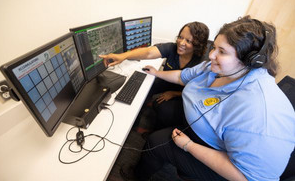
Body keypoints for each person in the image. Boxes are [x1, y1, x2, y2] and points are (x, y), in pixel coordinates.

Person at [121, 16, 295, 181]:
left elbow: (248, 177)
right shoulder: (219, 68)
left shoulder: (260, 112)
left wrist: (189, 146)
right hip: (199, 123)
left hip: (221, 160)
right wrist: (158, 73)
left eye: (222, 51)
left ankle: (139, 173)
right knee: (164, 110)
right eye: (214, 47)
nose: (211, 55)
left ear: (249, 60)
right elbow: (183, 76)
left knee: (156, 142)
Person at [100, 21, 210, 129]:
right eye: (180, 37)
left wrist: (174, 93)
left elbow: (199, 93)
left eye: (188, 41)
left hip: (185, 94)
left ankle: (154, 132)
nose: (181, 43)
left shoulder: (202, 64)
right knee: (143, 88)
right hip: (167, 82)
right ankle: (134, 122)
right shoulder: (173, 48)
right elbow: (149, 52)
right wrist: (123, 56)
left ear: (197, 45)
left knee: (164, 110)